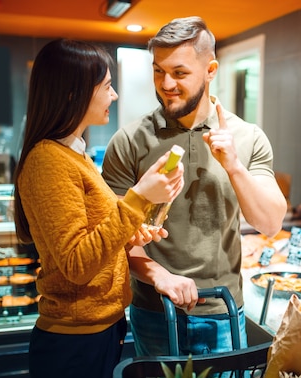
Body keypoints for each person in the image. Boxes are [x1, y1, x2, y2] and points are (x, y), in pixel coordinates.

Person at [13, 38, 184, 378]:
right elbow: (76, 263)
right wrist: (139, 197)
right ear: (74, 92)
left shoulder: (74, 151)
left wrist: (133, 232)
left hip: (98, 331)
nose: (116, 94)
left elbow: (94, 237)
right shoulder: (47, 161)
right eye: (106, 86)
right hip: (74, 342)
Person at [101, 16, 287, 357]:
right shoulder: (128, 141)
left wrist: (233, 165)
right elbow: (110, 235)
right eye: (158, 71)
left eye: (180, 72)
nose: (166, 83)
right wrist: (157, 274)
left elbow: (270, 223)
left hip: (224, 313)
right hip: (154, 312)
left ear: (211, 70)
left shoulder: (248, 138)